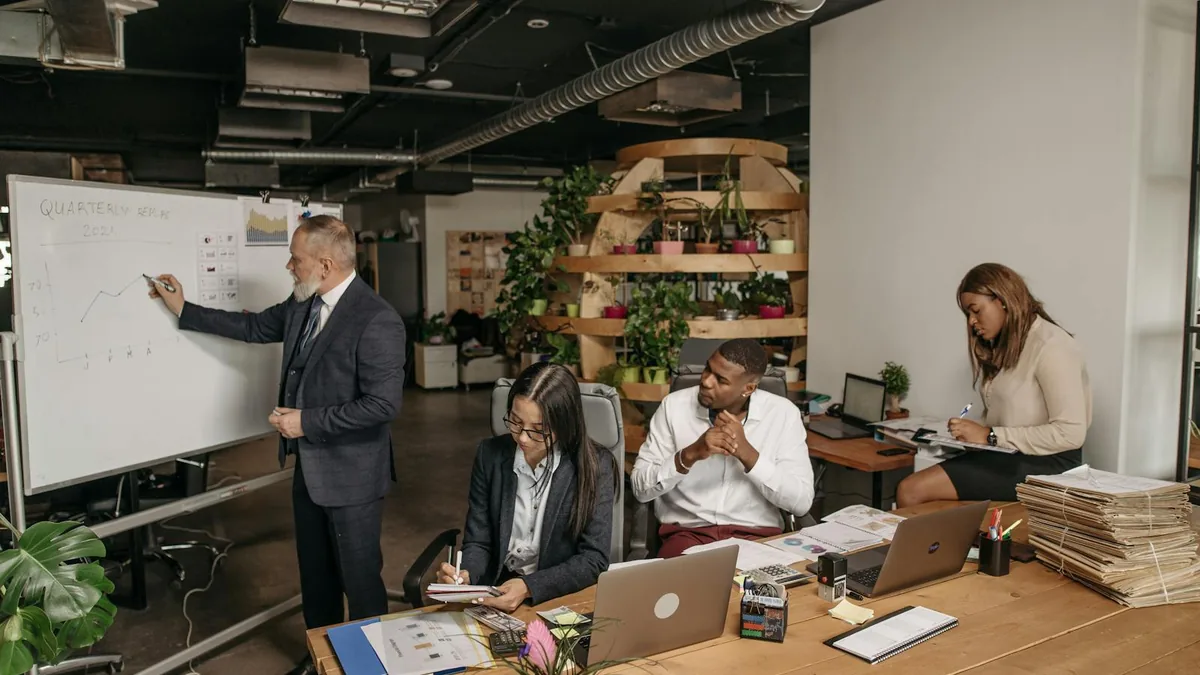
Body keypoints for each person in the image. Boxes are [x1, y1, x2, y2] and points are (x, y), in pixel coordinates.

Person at [148, 215, 405, 675]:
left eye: (296, 259)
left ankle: (368, 668)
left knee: (360, 582)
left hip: (353, 477)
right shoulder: (304, 304)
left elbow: (382, 406)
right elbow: (254, 328)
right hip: (309, 471)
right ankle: (322, 660)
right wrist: (184, 309)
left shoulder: (378, 320)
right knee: (317, 579)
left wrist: (306, 421)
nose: (289, 266)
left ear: (325, 265)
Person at [896, 263, 1091, 507]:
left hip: (1048, 463)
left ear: (1002, 300)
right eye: (968, 314)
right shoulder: (1007, 344)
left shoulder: (1052, 346)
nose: (971, 322)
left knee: (912, 490)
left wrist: (989, 435)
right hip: (1011, 454)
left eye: (976, 310)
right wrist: (973, 432)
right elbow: (1013, 417)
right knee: (922, 489)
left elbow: (1071, 433)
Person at [437, 362, 617, 612]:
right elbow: (479, 542)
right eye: (515, 421)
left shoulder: (595, 466)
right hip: (497, 590)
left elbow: (593, 559)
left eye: (538, 430)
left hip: (554, 595)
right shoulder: (490, 455)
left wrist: (528, 586)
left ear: (564, 425)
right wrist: (467, 576)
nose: (522, 437)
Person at [630, 339, 814, 558]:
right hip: (687, 536)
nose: (706, 381)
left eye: (721, 380)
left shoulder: (783, 414)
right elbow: (640, 489)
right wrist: (689, 455)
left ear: (748, 388)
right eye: (708, 368)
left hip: (756, 539)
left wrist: (748, 454)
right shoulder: (673, 407)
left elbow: (801, 503)